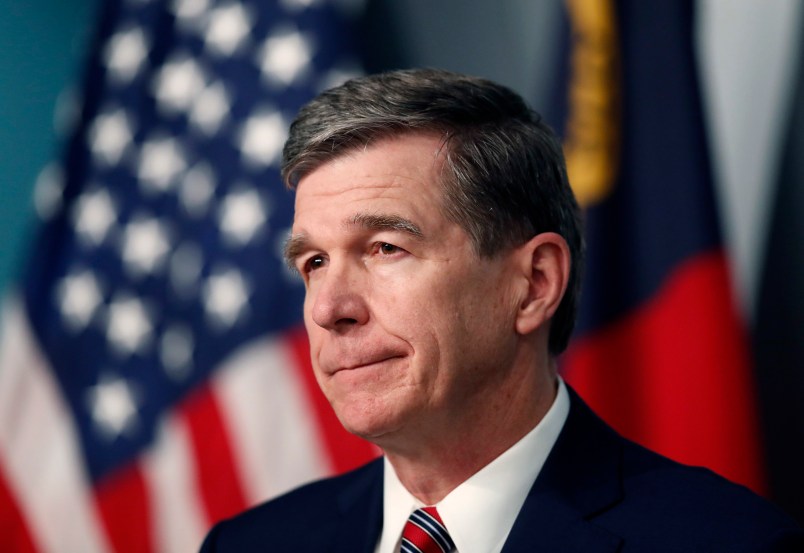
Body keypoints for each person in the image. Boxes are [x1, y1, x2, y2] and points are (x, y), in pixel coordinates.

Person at [200, 68, 802, 552]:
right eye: (314, 263)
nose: (330, 308)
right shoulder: (250, 543)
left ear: (535, 283)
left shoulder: (727, 543)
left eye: (385, 248)